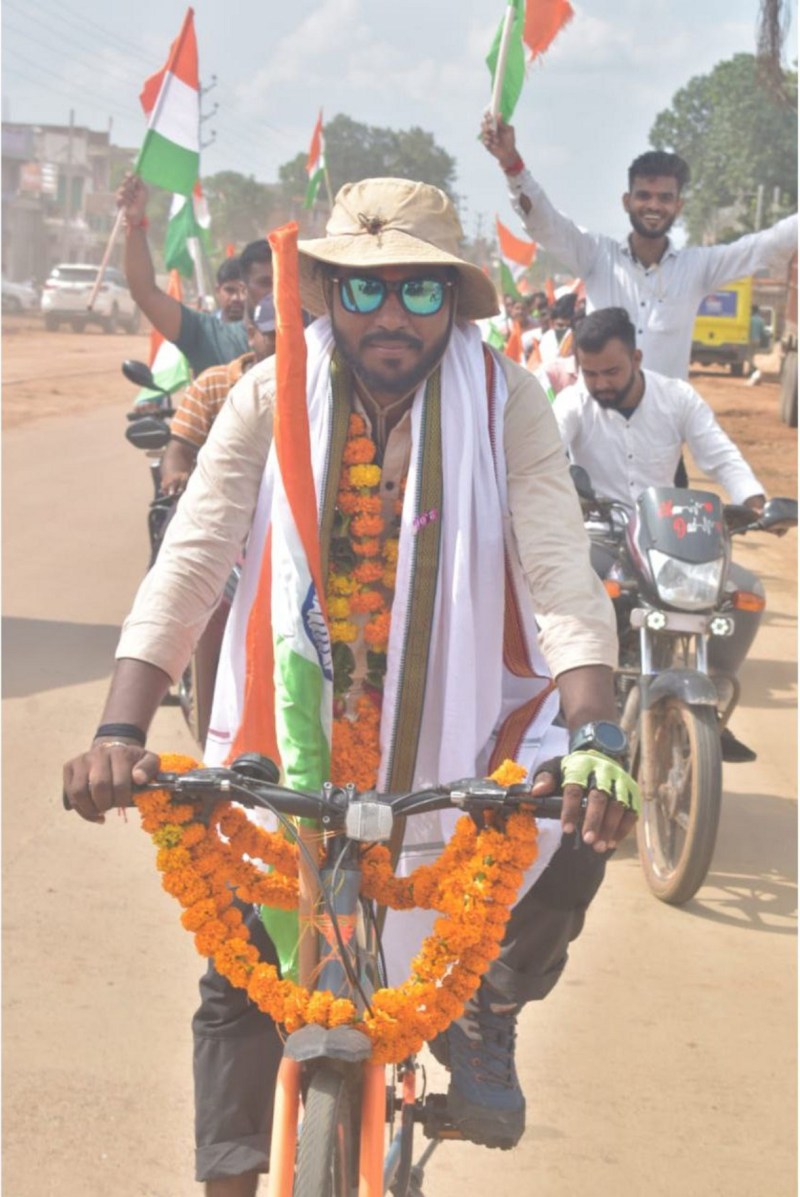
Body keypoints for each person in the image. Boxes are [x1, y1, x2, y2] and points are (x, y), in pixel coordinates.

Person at [64, 178, 641, 1194]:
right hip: (290, 733)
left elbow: (555, 565)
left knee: (582, 823)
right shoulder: (264, 392)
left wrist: (593, 728)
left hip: (462, 733)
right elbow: (193, 561)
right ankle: (233, 1179)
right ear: (323, 289)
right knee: (239, 979)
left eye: (418, 294)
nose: (389, 317)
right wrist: (120, 720)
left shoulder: (505, 398)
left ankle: (484, 1013)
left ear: (451, 303)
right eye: (363, 291)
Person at [552, 306, 771, 762]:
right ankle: (571, 708)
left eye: (611, 371)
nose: (601, 384)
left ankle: (707, 703)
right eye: (590, 373)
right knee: (574, 588)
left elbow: (720, 455)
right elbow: (548, 450)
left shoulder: (678, 398)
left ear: (637, 356)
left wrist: (753, 502)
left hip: (668, 537)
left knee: (746, 591)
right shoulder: (573, 402)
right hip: (603, 537)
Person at [481, 116, 798, 382]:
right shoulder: (595, 256)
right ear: (627, 201)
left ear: (679, 206)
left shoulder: (698, 268)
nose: (653, 206)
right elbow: (544, 223)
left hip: (662, 444)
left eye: (664, 198)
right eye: (644, 195)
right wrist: (512, 164)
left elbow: (766, 246)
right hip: (596, 442)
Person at [117, 173, 273, 374]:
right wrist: (135, 225)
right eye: (265, 282)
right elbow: (145, 293)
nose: (275, 292)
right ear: (244, 289)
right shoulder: (209, 335)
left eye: (283, 282)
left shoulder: (314, 339)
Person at [160, 296, 277, 496]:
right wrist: (175, 475)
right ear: (251, 335)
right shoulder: (212, 383)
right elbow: (180, 449)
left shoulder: (312, 386)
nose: (284, 344)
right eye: (273, 335)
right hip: (216, 499)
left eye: (293, 334)